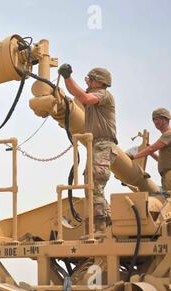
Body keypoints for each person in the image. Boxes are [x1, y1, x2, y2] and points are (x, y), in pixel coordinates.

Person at [58, 64, 118, 236]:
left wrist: (67, 77)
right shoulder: (93, 98)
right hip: (96, 146)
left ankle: (99, 229)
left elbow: (83, 98)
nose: (88, 82)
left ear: (99, 82)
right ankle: (105, 224)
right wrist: (66, 79)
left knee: (94, 184)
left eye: (90, 79)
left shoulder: (103, 95)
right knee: (90, 185)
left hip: (103, 145)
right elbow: (77, 97)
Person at [128, 108, 171, 192]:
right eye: (153, 119)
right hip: (166, 175)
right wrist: (151, 154)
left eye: (157, 119)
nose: (155, 122)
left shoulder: (168, 134)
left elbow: (151, 149)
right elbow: (161, 159)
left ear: (165, 119)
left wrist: (133, 157)